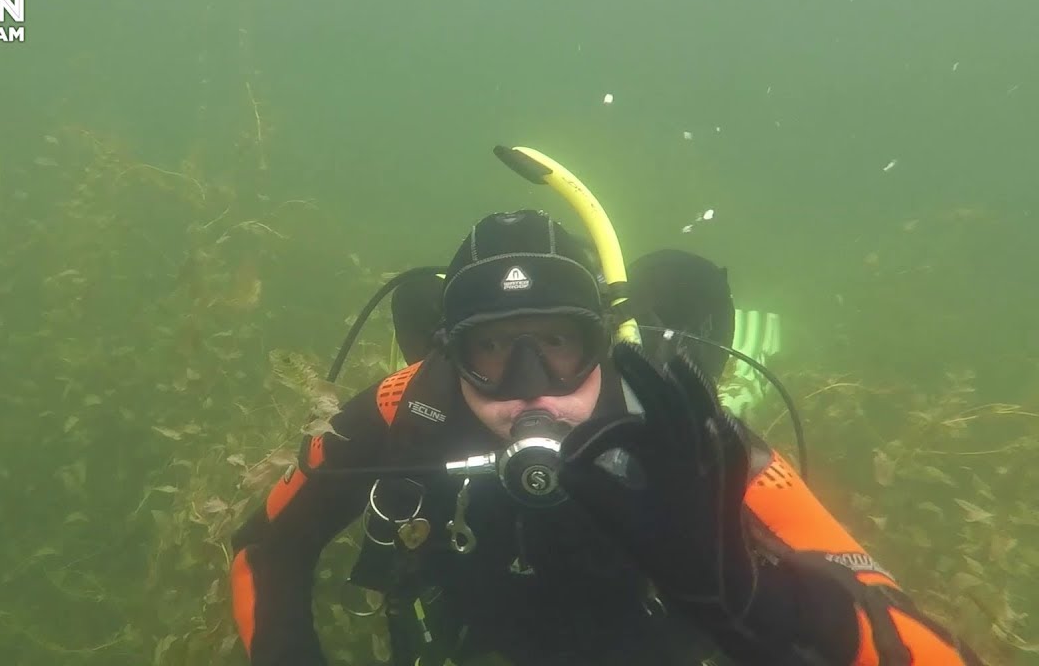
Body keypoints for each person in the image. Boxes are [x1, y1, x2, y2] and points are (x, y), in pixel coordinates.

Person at [230, 209, 982, 665]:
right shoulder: (405, 407)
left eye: (559, 344)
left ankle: (729, 347)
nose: (531, 387)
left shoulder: (695, 441)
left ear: (604, 345)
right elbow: (265, 543)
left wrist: (767, 605)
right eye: (492, 350)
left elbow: (910, 632)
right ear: (448, 355)